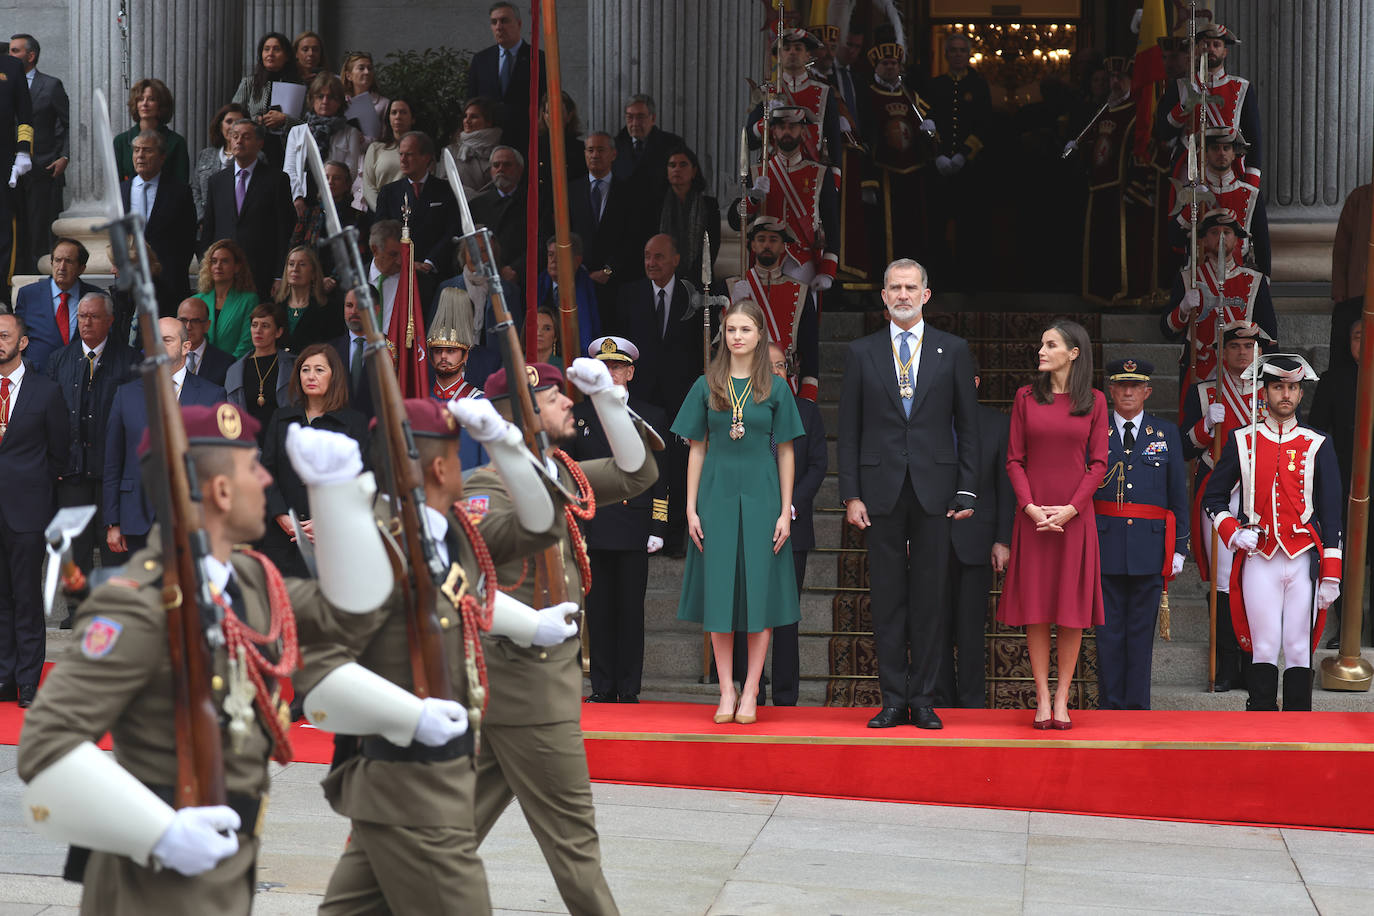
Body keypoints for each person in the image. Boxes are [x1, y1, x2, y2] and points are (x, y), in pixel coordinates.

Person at [21, 403, 394, 914]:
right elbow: (46, 742)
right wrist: (162, 832)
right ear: (220, 492)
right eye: (252, 468)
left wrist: (340, 496)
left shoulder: (251, 581)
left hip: (228, 867)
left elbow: (356, 611)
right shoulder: (137, 604)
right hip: (151, 886)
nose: (266, 477)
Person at [293, 396, 577, 915]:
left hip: (413, 786)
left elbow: (540, 526)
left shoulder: (448, 530)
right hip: (412, 787)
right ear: (443, 467)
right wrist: (413, 716)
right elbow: (321, 677)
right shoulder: (379, 542)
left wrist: (505, 444)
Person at [466, 357, 657, 915]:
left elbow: (638, 473)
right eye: (554, 398)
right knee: (575, 850)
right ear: (523, 416)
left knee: (441, 834)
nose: (567, 402)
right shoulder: (486, 489)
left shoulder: (560, 471)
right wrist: (529, 625)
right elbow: (466, 586)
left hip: (528, 690)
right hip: (528, 688)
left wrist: (609, 400)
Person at [837, 259, 979, 730]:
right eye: (894, 287)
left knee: (931, 597)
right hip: (879, 491)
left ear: (926, 293)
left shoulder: (952, 350)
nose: (902, 294)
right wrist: (851, 494)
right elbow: (849, 431)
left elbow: (968, 426)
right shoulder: (862, 352)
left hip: (937, 490)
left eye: (910, 287)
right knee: (887, 596)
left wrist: (966, 488)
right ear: (882, 295)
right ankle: (893, 698)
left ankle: (924, 698)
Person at [674, 299, 802, 724]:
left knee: (760, 594)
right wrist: (690, 509)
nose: (738, 337)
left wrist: (786, 510)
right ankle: (725, 690)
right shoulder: (705, 383)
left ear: (760, 335)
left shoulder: (776, 388)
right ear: (724, 336)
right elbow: (696, 448)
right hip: (716, 494)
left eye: (745, 330)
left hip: (764, 495)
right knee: (720, 595)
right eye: (731, 330)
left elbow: (786, 452)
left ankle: (751, 691)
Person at [1203, 355, 1342, 712]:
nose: (1286, 394)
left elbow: (1332, 512)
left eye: (1292, 388)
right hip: (1259, 557)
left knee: (1299, 647)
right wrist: (1233, 531)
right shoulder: (1242, 440)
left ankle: (1299, 734)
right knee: (1263, 646)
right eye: (1278, 386)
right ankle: (1260, 732)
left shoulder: (1318, 442)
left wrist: (1331, 573)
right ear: (1263, 392)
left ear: (1300, 394)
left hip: (1302, 559)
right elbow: (1213, 496)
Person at [997, 320, 1107, 729]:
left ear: (1073, 353)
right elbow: (1013, 459)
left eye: (1050, 344)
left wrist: (1072, 509)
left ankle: (1063, 698)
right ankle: (1042, 697)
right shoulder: (1026, 397)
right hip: (1034, 519)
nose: (1040, 350)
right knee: (1038, 609)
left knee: (1071, 611)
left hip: (1075, 520)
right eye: (1041, 343)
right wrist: (1029, 507)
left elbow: (1098, 463)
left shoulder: (1094, 401)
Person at [571, 336, 667, 704]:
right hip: (595, 522)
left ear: (630, 371)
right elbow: (572, 470)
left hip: (633, 522)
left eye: (617, 367)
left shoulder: (650, 414)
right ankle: (602, 686)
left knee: (630, 611)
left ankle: (628, 688)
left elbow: (661, 475)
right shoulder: (580, 415)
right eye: (604, 367)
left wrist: (658, 525)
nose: (611, 374)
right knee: (598, 610)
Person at [733, 341, 826, 707]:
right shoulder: (742, 413)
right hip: (747, 523)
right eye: (766, 365)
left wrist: (790, 506)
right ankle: (748, 689)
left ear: (789, 371)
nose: (773, 372)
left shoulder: (807, 412)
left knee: (786, 614)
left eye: (779, 366)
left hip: (792, 528)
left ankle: (786, 696)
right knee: (745, 611)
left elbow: (818, 465)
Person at [1094, 358, 1189, 711]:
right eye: (1121, 385)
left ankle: (1136, 711)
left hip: (1150, 550)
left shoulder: (1164, 434)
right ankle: (1110, 707)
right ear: (1111, 391)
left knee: (1139, 637)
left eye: (1135, 386)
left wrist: (1179, 548)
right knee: (1108, 635)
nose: (1128, 392)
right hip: (1104, 547)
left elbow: (1178, 493)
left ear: (1147, 391)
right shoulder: (1095, 430)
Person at [1180, 321, 1269, 688]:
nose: (1243, 352)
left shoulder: (1271, 389)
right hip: (1217, 492)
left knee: (1257, 580)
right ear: (1222, 350)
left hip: (1260, 494)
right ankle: (1224, 668)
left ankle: (1254, 666)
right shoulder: (1205, 391)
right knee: (1222, 580)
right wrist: (1204, 426)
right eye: (1235, 346)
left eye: (1249, 346)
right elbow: (1185, 447)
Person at [612, 233, 708, 556]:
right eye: (647, 257)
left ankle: (677, 533)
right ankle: (643, 531)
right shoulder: (629, 295)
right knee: (641, 465)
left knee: (680, 466)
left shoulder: (695, 295)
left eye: (659, 257)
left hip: (682, 399)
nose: (652, 263)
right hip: (640, 399)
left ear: (676, 260)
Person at [103, 317, 224, 557]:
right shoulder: (126, 394)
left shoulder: (212, 395)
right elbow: (112, 462)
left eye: (166, 340)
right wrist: (112, 521)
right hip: (136, 517)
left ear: (186, 347)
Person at [44, 292, 137, 604]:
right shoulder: (59, 359)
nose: (86, 322)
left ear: (110, 321)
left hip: (112, 469)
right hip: (71, 470)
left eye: (94, 316)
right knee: (76, 545)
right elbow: (49, 414)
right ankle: (78, 611)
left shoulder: (130, 360)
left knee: (112, 543)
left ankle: (112, 611)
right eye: (82, 316)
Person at [936, 362, 1012, 709]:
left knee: (970, 631)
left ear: (976, 382)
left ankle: (971, 706)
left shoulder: (997, 424)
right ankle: (936, 701)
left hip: (977, 542)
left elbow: (1004, 488)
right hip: (930, 539)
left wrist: (1002, 540)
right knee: (932, 629)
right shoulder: (926, 421)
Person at [0, 311, 66, 705]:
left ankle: (28, 680)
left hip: (27, 512)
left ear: (22, 343)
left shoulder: (46, 391)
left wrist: (35, 489)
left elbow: (59, 454)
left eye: (5, 335)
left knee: (25, 598)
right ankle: (3, 676)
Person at [260, 343, 368, 576]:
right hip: (282, 540)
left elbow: (363, 483)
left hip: (335, 540)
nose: (311, 376)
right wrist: (282, 517)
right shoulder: (281, 419)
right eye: (305, 369)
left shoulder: (354, 423)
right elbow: (265, 473)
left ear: (334, 376)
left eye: (319, 370)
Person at [1160, 209, 1278, 395]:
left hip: (1242, 373)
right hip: (1199, 370)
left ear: (1237, 239)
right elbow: (1168, 330)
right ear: (1204, 239)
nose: (1221, 238)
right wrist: (1182, 309)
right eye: (1215, 232)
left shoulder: (1255, 281)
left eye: (1227, 232)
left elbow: (1270, 337)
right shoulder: (1188, 278)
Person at [737, 106, 839, 291]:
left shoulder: (820, 173)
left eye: (792, 127)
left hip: (803, 261)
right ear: (773, 132)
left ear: (802, 130)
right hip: (764, 259)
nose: (786, 132)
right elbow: (735, 221)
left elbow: (832, 225)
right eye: (781, 127)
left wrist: (827, 271)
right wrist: (753, 199)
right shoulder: (757, 172)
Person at [199, 119, 295, 302]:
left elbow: (284, 230)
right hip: (223, 273)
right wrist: (207, 265)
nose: (239, 141)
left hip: (261, 271)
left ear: (260, 143)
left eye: (246, 137)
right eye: (235, 136)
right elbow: (209, 228)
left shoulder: (276, 180)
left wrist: (279, 275)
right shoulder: (217, 181)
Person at [926, 32, 991, 289]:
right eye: (952, 50)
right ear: (945, 55)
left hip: (969, 170)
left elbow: (985, 125)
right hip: (939, 169)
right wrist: (938, 154)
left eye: (962, 50)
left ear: (969, 54)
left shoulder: (979, 85)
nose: (957, 55)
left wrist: (965, 153)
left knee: (969, 228)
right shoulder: (935, 85)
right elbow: (928, 122)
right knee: (937, 227)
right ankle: (940, 281)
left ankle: (969, 281)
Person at [730, 217, 819, 400]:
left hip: (785, 385)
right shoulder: (732, 287)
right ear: (753, 245)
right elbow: (719, 344)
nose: (767, 245)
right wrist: (731, 307)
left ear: (782, 246)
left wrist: (808, 395)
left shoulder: (800, 291)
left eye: (773, 240)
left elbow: (809, 348)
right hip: (742, 384)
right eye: (761, 239)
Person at [8, 34, 67, 275]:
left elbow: (67, 123)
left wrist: (65, 156)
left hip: (43, 170)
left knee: (40, 231)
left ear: (30, 56)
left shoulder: (51, 85)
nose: (9, 56)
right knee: (14, 232)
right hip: (10, 171)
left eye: (15, 51)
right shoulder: (6, 84)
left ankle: (39, 280)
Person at [121, 129, 197, 314]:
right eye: (136, 150)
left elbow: (188, 239)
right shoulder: (121, 191)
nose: (140, 155)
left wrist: (173, 270)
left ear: (162, 157)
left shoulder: (179, 192)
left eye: (147, 150)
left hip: (169, 285)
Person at [570, 130, 644, 314]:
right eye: (590, 150)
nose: (595, 155)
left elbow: (634, 238)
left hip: (616, 285)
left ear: (613, 154)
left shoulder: (630, 192)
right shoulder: (570, 191)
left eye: (601, 150)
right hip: (578, 282)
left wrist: (609, 270)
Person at [744, 28, 841, 165]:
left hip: (812, 174)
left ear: (808, 55)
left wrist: (834, 183)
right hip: (774, 173)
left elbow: (834, 142)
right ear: (778, 55)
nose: (792, 52)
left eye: (798, 48)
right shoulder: (765, 93)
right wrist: (768, 119)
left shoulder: (824, 92)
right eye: (787, 48)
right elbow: (749, 141)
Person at [466, 1, 546, 155]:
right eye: (494, 22)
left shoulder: (538, 58)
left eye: (504, 20)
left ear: (519, 23)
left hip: (526, 141)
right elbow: (471, 100)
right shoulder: (481, 60)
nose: (498, 27)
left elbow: (544, 102)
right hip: (487, 143)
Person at [12, 236, 102, 371]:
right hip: (39, 377)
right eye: (57, 260)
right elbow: (17, 339)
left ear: (81, 268)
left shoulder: (97, 298)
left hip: (82, 377)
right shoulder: (29, 295)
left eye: (69, 261)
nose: (62, 267)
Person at [374, 131, 458, 275]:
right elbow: (381, 234)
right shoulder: (388, 192)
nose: (403, 160)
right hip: (397, 271)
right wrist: (404, 262)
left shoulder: (446, 190)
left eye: (409, 155)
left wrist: (430, 262)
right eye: (401, 154)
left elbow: (452, 231)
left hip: (433, 272)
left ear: (426, 158)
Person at [283, 73, 364, 221]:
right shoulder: (297, 132)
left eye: (331, 97)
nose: (325, 101)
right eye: (320, 96)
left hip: (336, 203)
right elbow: (289, 170)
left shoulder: (349, 132)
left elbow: (350, 171)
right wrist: (297, 197)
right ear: (312, 99)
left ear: (340, 102)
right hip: (302, 201)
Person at [469, 145, 540, 285]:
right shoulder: (477, 205)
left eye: (507, 165)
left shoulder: (536, 203)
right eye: (496, 165)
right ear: (491, 171)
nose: (501, 169)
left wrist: (516, 269)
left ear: (520, 170)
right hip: (484, 279)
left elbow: (541, 243)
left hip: (521, 279)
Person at [232, 31, 301, 168]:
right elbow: (234, 117)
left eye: (276, 49)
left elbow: (307, 123)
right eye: (266, 49)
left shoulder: (298, 85)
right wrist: (256, 121)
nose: (270, 54)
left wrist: (285, 120)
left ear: (287, 56)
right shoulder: (249, 83)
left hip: (288, 151)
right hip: (254, 149)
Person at [225, 303, 295, 435]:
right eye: (254, 325)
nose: (258, 330)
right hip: (248, 444)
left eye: (265, 326)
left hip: (283, 441)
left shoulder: (293, 365)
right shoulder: (235, 370)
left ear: (278, 332)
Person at [658, 146, 719, 288]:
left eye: (683, 165)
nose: (677, 169)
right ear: (667, 172)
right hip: (663, 276)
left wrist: (691, 276)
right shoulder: (656, 206)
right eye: (672, 165)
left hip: (700, 278)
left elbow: (712, 245)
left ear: (694, 171)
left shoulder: (709, 205)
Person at [111, 78, 188, 185]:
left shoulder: (176, 142)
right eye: (140, 99)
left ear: (161, 105)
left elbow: (181, 185)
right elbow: (115, 184)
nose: (145, 104)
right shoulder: (121, 141)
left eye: (151, 99)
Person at [0, 49, 31, 304]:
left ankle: (1, 293)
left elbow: (25, 115)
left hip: (3, 158)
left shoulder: (10, 66)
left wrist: (23, 151)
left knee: (3, 229)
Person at [535, 233, 600, 356]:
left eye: (560, 255)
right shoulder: (538, 285)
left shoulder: (590, 290)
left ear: (577, 261)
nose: (553, 260)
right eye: (550, 255)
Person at [193, 239, 257, 359]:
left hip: (234, 368)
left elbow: (246, 342)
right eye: (214, 261)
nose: (218, 266)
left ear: (237, 267)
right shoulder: (197, 301)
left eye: (225, 261)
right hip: (199, 368)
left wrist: (228, 368)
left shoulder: (249, 300)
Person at [612, 93, 683, 199]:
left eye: (640, 117)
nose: (635, 123)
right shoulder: (614, 146)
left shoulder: (672, 144)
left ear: (653, 118)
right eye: (630, 117)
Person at [274, 245, 341, 351]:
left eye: (302, 264)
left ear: (313, 273)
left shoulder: (328, 309)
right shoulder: (275, 308)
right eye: (291, 264)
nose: (295, 269)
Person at [192, 103, 249, 223]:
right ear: (220, 125)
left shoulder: (254, 156)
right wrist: (202, 218)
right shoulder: (205, 155)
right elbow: (195, 190)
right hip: (207, 224)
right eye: (229, 121)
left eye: (238, 122)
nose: (233, 126)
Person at [362, 97, 416, 211]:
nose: (398, 116)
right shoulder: (376, 148)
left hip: (412, 213)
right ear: (388, 118)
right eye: (394, 112)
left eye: (403, 112)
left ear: (412, 118)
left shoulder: (421, 150)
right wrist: (381, 211)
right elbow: (368, 186)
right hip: (380, 216)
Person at [443, 97, 501, 199]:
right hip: (459, 207)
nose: (467, 121)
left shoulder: (501, 152)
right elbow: (443, 182)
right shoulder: (451, 151)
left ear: (488, 121)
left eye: (474, 117)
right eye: (465, 116)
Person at [176, 296, 234, 387]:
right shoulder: (165, 358)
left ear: (207, 326)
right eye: (183, 320)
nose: (188, 327)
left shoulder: (225, 363)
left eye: (195, 321)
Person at [536, 89, 587, 189]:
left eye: (558, 111)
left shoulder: (581, 149)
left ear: (569, 116)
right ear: (543, 116)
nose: (553, 116)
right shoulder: (534, 147)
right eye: (548, 112)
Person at [340, 50, 389, 144]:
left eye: (370, 68)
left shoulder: (384, 103)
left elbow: (385, 138)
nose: (367, 72)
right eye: (361, 68)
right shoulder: (340, 101)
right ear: (349, 75)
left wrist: (363, 140)